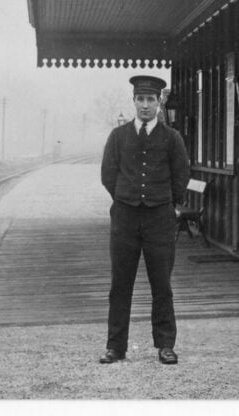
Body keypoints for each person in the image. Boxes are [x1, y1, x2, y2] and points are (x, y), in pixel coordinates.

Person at [99, 75, 190, 365]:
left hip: (159, 219)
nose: (145, 105)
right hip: (125, 218)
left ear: (159, 103)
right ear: (134, 101)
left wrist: (164, 202)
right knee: (120, 284)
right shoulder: (118, 136)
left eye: (151, 100)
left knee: (161, 283)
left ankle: (165, 345)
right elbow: (107, 174)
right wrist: (125, 197)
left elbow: (181, 176)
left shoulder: (171, 138)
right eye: (141, 99)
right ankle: (116, 347)